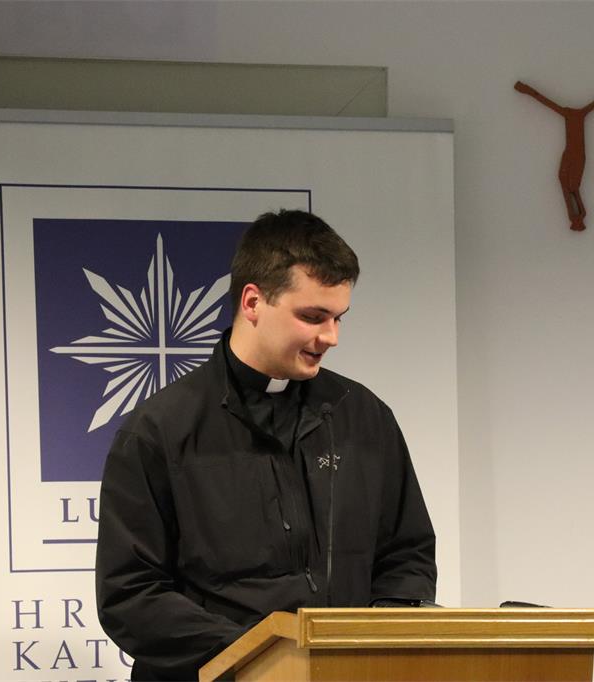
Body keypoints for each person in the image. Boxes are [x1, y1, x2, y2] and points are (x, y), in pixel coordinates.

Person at [95, 209, 437, 681]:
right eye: (312, 317)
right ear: (253, 302)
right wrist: (260, 657)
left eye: (338, 318)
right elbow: (131, 595)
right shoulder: (160, 431)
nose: (331, 337)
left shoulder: (364, 416)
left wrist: (378, 640)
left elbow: (407, 555)